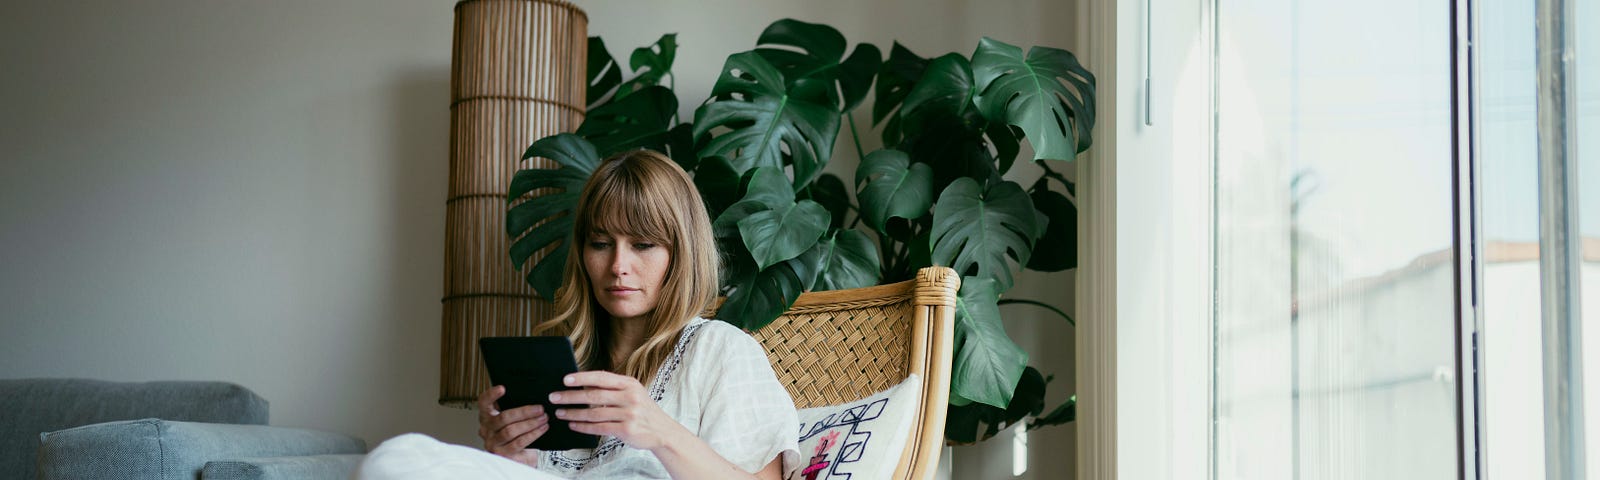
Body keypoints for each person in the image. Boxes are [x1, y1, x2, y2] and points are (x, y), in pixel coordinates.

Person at [358, 150, 800, 480]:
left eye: (643, 245)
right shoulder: (560, 366)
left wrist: (661, 432)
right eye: (601, 243)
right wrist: (511, 457)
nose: (618, 266)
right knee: (390, 457)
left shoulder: (719, 350)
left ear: (680, 254)